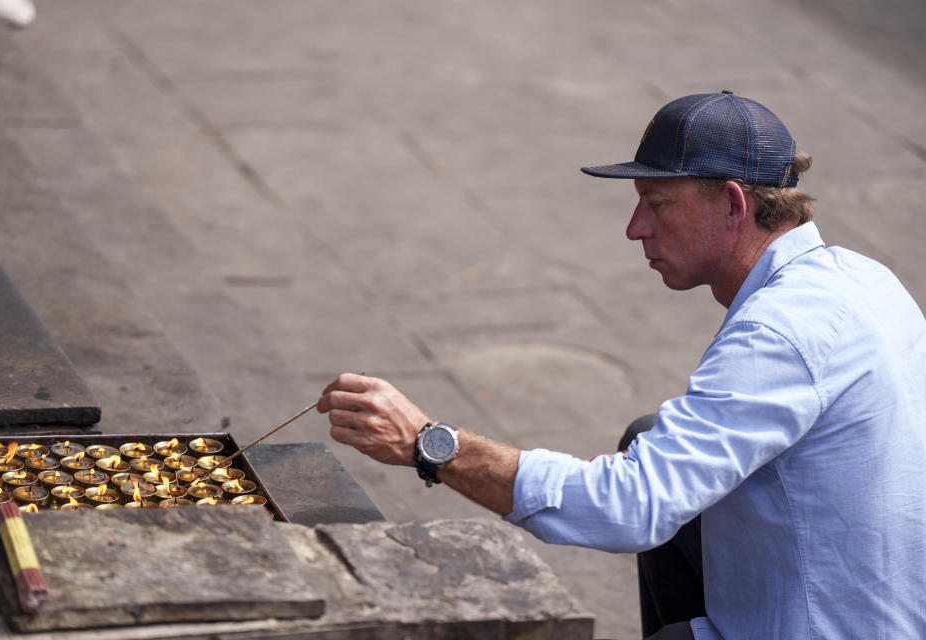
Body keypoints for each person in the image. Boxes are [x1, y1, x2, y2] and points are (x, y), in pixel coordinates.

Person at [316, 91, 926, 640]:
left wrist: (432, 445)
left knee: (653, 497)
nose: (635, 229)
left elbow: (632, 507)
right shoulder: (864, 276)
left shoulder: (778, 333)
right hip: (891, 599)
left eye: (656, 205)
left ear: (734, 204)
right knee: (646, 435)